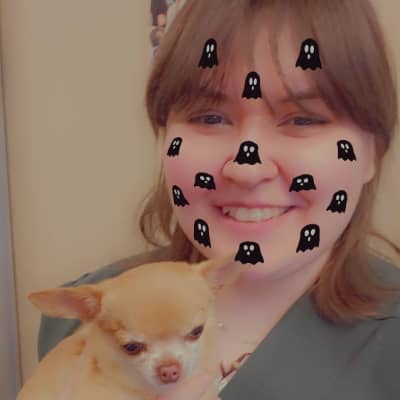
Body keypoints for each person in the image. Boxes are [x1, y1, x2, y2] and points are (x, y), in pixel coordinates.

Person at [37, 0, 400, 398]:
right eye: (209, 118)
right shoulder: (77, 317)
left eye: (303, 119)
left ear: (371, 151)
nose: (247, 169)